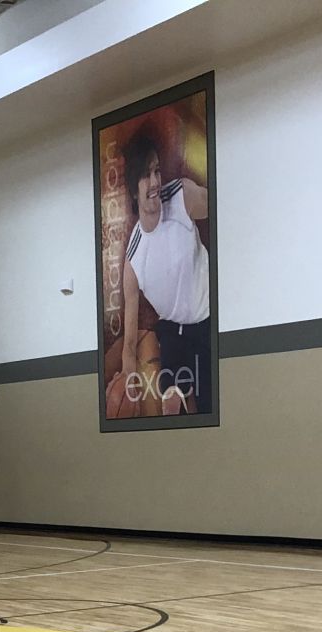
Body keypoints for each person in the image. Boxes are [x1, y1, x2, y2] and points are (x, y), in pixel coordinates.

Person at [111, 126, 212, 416]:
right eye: (146, 175)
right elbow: (129, 343)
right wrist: (129, 381)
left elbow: (224, 206)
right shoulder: (133, 260)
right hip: (173, 335)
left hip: (208, 323)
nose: (155, 181)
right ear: (133, 188)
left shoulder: (182, 197)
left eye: (156, 171)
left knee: (210, 409)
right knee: (170, 407)